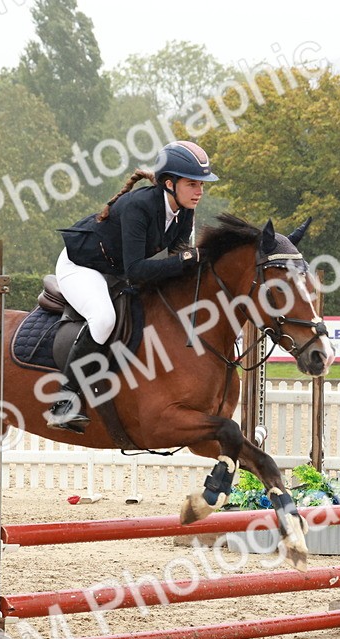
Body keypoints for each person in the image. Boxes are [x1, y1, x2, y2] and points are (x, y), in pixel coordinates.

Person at [46, 140, 219, 432]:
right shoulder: (139, 207)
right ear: (169, 184)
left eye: (201, 184)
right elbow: (137, 270)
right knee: (104, 319)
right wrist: (187, 259)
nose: (199, 191)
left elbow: (177, 262)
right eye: (192, 184)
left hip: (115, 270)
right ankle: (64, 400)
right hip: (81, 266)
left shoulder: (185, 210)